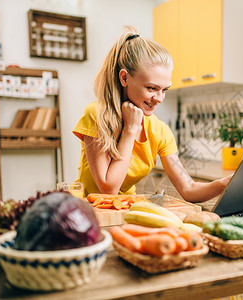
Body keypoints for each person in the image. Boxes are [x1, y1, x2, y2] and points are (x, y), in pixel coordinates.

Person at [73, 26, 231, 203]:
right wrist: (130, 129)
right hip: (87, 214)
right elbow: (108, 189)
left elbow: (188, 189)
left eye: (165, 89)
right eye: (151, 88)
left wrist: (225, 183)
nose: (159, 98)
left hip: (127, 211)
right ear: (124, 78)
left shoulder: (159, 131)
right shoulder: (97, 115)